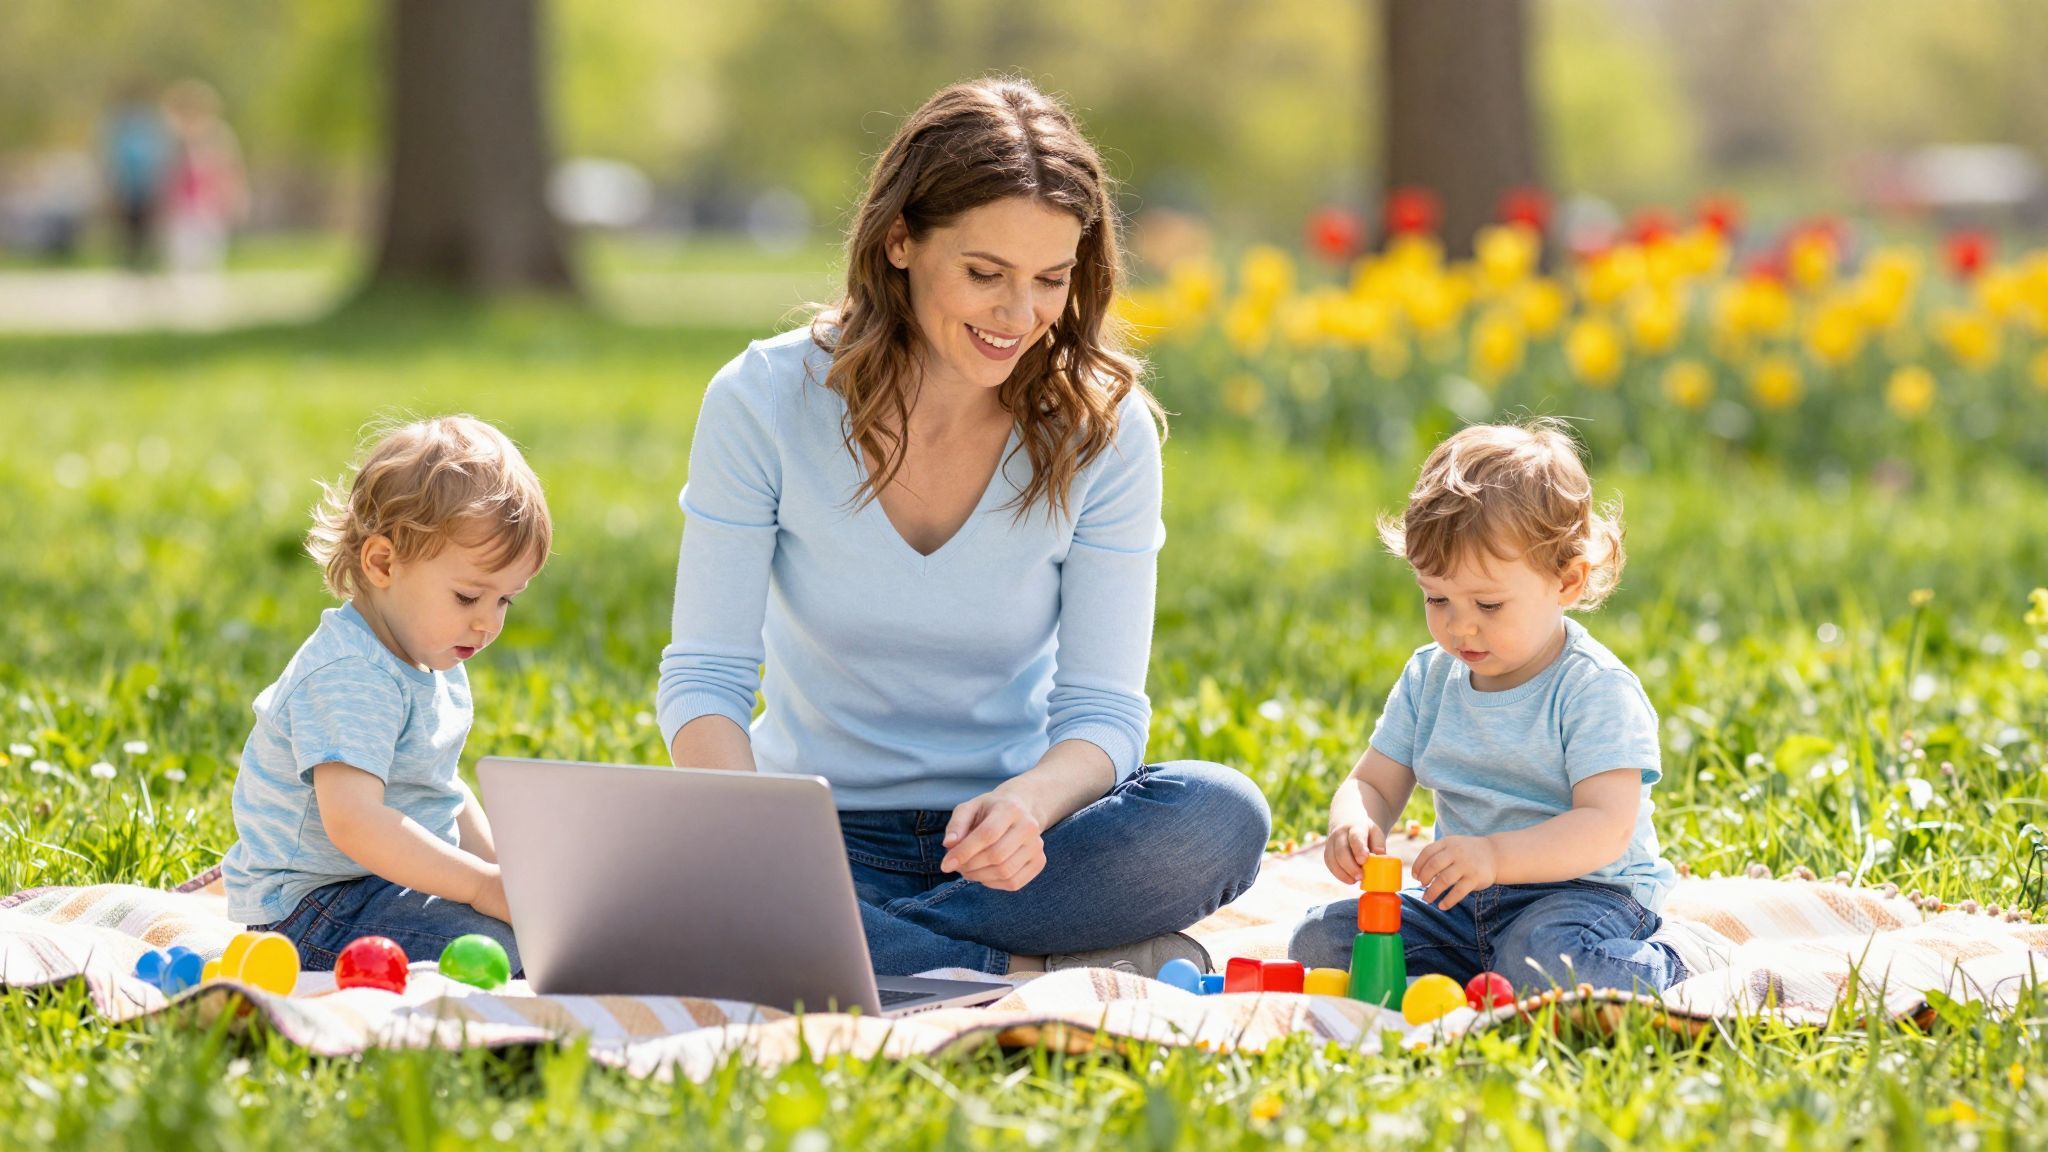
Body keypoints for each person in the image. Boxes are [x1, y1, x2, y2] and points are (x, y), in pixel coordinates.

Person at [657, 77, 1269, 979]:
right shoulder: (763, 401)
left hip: (1023, 846)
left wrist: (1029, 803)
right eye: (985, 274)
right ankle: (1017, 968)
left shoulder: (1104, 429)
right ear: (899, 239)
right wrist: (764, 854)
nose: (1018, 316)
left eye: (1050, 280)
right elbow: (704, 682)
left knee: (1221, 815)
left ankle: (855, 945)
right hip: (818, 829)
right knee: (679, 876)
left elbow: (1102, 715)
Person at [1287, 420, 1686, 994]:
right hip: (1463, 902)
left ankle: (1664, 966)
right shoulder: (1431, 676)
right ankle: (1485, 978)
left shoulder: (1592, 689)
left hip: (1582, 897)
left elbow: (1605, 827)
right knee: (1321, 941)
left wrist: (1496, 857)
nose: (1460, 624)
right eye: (1437, 598)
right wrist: (1353, 820)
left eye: (1490, 604)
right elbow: (1374, 781)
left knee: (1545, 956)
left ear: (1567, 583)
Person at [222, 416, 551, 973]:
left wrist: (507, 877)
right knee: (511, 954)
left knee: (544, 928)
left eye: (504, 602)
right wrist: (479, 888)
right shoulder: (352, 673)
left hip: (385, 884)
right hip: (313, 911)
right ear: (382, 563)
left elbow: (440, 789)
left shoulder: (433, 652)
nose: (487, 625)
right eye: (469, 595)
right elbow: (353, 822)